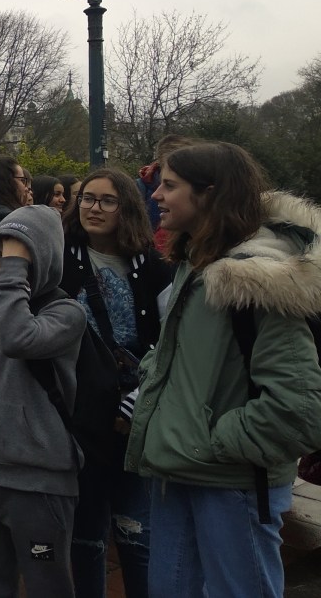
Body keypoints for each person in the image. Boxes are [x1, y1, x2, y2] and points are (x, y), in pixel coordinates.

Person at [126, 142, 321, 598]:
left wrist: (213, 441)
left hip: (232, 484)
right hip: (179, 472)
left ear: (209, 193)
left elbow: (299, 410)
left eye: (169, 185)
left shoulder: (255, 280)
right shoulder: (196, 262)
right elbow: (185, 356)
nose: (155, 195)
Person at [0, 204, 86, 598]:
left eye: (17, 255)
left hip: (38, 486)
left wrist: (14, 272)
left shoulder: (67, 313)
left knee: (48, 587)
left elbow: (17, 338)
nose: (5, 263)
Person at [61, 169, 171, 598]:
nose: (94, 208)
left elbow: (171, 340)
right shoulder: (59, 257)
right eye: (88, 198)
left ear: (126, 208)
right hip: (78, 416)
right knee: (85, 535)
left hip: (133, 416)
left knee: (136, 530)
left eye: (108, 200)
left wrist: (138, 399)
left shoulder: (152, 266)